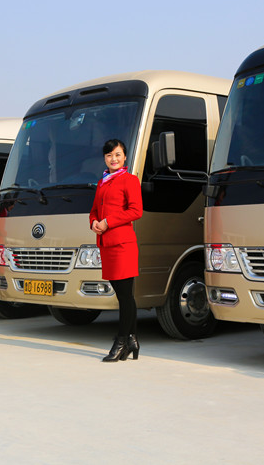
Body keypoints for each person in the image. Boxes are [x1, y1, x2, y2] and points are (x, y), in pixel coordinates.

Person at [90, 139, 143, 362]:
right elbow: (94, 210)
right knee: (124, 295)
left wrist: (108, 222)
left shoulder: (129, 180)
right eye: (109, 155)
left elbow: (136, 211)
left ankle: (121, 341)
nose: (114, 159)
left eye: (118, 154)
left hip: (122, 245)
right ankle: (132, 340)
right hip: (107, 244)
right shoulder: (102, 182)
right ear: (104, 158)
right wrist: (94, 222)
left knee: (124, 296)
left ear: (125, 157)